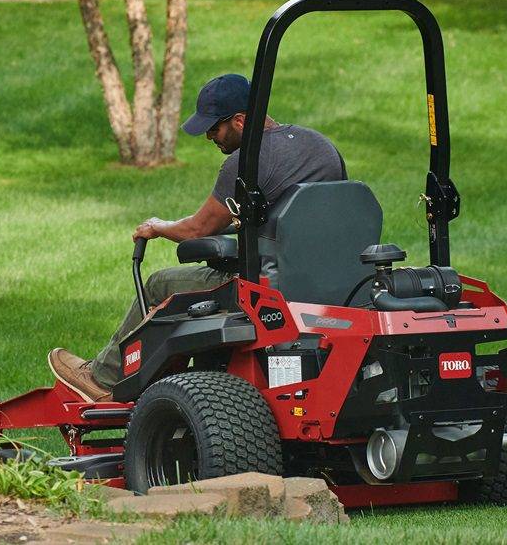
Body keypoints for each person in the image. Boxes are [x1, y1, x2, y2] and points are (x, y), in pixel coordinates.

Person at [48, 74, 347, 402]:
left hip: (264, 289)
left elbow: (197, 230)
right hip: (332, 283)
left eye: (214, 128)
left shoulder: (245, 162)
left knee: (161, 283)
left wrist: (159, 226)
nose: (208, 137)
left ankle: (102, 379)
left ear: (240, 120)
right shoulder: (321, 146)